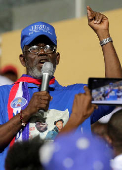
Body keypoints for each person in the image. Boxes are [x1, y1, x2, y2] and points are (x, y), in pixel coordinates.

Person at [0, 6, 122, 170]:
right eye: (34, 48)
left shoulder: (77, 95)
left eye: (48, 47)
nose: (42, 52)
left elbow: (115, 91)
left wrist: (104, 35)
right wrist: (26, 113)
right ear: (23, 59)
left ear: (56, 58)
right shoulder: (4, 94)